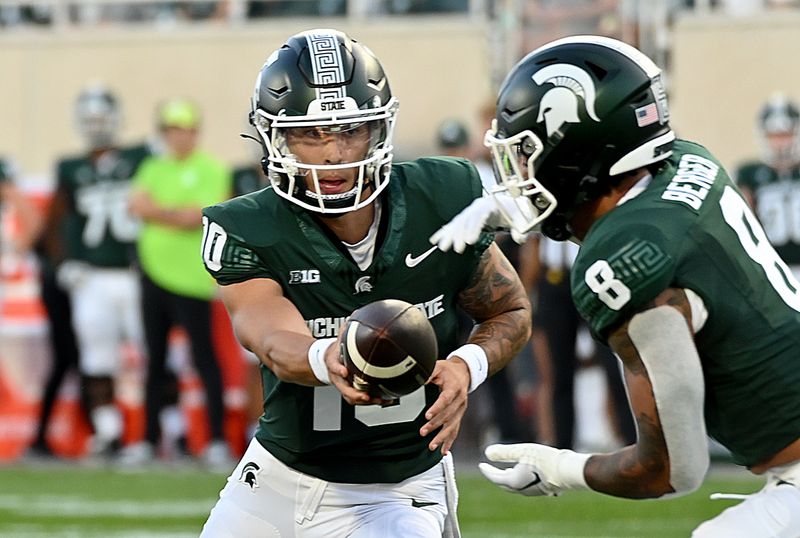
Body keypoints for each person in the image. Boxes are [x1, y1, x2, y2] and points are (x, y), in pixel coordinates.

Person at [431, 35, 800, 536]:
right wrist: (503, 207)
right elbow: (610, 193)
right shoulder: (689, 160)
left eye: (527, 155)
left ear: (575, 151)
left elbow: (673, 468)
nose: (517, 177)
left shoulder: (626, 265)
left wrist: (559, 467)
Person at [198, 28, 531, 537]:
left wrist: (467, 365)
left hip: (401, 489)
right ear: (274, 138)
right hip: (278, 480)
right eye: (311, 134)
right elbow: (268, 336)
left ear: (379, 129)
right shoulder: (249, 225)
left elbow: (509, 311)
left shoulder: (441, 195)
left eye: (350, 130)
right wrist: (323, 357)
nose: (333, 154)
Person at [36, 85, 150, 459]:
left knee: (154, 354)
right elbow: (56, 221)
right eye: (90, 119)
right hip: (93, 277)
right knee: (96, 358)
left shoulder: (142, 157)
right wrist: (64, 262)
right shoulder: (71, 167)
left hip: (135, 274)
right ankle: (108, 432)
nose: (97, 126)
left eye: (103, 117)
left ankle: (163, 432)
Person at [124, 98, 233, 468]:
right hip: (153, 272)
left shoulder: (211, 168)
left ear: (195, 132)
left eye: (184, 129)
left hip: (192, 278)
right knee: (154, 360)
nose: (178, 137)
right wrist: (172, 213)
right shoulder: (153, 166)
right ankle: (148, 439)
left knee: (204, 358)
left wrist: (159, 212)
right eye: (172, 130)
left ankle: (216, 439)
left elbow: (199, 216)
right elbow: (136, 204)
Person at [527, 234, 635, 450]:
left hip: (594, 275)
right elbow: (533, 240)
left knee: (613, 365)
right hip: (553, 278)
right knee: (559, 372)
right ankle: (561, 448)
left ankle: (632, 442)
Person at [735, 93, 800, 283]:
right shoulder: (749, 174)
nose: (780, 143)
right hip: (771, 270)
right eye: (774, 136)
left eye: (785, 134)